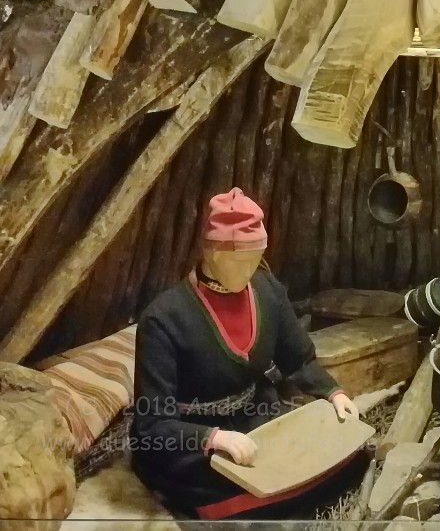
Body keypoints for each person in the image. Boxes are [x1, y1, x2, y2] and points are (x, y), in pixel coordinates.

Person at [130, 187, 362, 520]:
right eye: (239, 261)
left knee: (340, 455)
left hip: (256, 413)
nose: (249, 270)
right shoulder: (163, 319)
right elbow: (152, 422)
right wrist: (213, 438)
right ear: (211, 253)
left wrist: (333, 392)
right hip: (190, 435)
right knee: (235, 486)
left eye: (255, 259)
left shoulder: (268, 291)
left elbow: (298, 359)